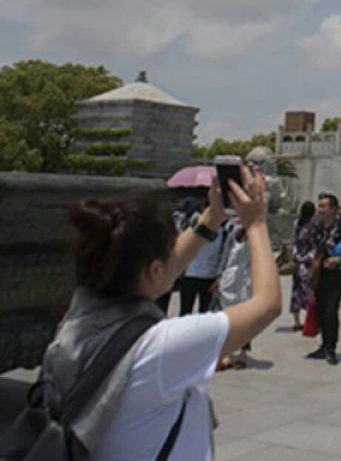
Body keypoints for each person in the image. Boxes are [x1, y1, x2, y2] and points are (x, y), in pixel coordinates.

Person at [35, 166, 280, 460]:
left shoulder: (80, 318)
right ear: (154, 269)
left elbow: (162, 271)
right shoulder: (160, 347)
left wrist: (210, 221)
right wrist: (257, 225)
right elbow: (268, 304)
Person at [308, 194, 341, 365]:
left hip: (336, 275)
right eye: (319, 206)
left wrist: (338, 259)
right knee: (320, 310)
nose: (319, 209)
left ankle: (331, 348)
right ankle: (323, 344)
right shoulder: (317, 226)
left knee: (331, 310)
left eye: (323, 206)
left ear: (333, 209)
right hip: (319, 274)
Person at [215, 219, 253, 370]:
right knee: (227, 318)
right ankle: (227, 354)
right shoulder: (231, 238)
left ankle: (243, 353)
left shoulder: (256, 240)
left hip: (246, 282)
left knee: (245, 321)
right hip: (229, 280)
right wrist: (219, 276)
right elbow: (224, 258)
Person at [289, 201, 317, 331]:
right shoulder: (313, 226)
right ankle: (309, 320)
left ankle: (296, 321)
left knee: (296, 291)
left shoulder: (297, 224)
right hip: (307, 262)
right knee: (308, 290)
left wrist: (294, 257)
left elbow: (293, 242)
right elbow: (314, 246)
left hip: (297, 260)